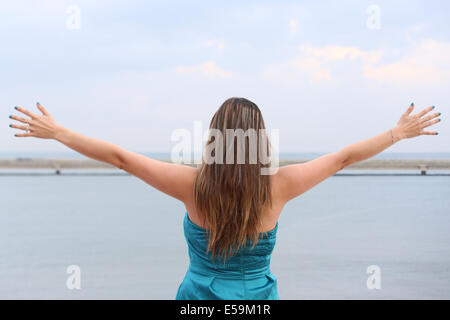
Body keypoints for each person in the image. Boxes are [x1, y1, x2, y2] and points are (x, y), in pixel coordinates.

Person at [8, 98, 441, 299]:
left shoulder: (192, 186)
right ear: (260, 141)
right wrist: (396, 134)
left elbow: (121, 158)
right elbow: (343, 158)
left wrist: (59, 133)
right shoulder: (280, 186)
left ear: (214, 139)